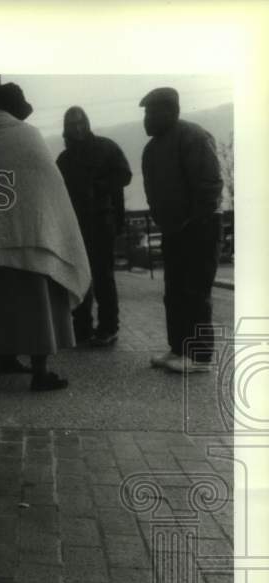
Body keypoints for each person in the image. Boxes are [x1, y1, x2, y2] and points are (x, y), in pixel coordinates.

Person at [0, 83, 91, 391]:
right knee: (35, 309)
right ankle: (40, 373)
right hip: (30, 245)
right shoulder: (29, 138)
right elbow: (49, 189)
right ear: (16, 109)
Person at [139, 87, 224, 373]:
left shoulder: (193, 137)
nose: (146, 120)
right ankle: (178, 349)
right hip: (173, 230)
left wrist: (193, 220)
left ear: (171, 112)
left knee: (195, 292)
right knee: (173, 292)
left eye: (152, 113)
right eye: (145, 114)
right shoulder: (152, 149)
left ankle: (199, 356)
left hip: (200, 227)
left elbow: (210, 185)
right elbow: (153, 191)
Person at [56, 106, 132, 347]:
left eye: (80, 123)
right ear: (66, 129)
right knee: (79, 277)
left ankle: (109, 328)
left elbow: (125, 175)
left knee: (103, 277)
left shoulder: (106, 147)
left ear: (87, 123)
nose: (77, 128)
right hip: (75, 226)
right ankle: (81, 328)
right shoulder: (64, 159)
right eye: (72, 124)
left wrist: (99, 186)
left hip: (101, 222)